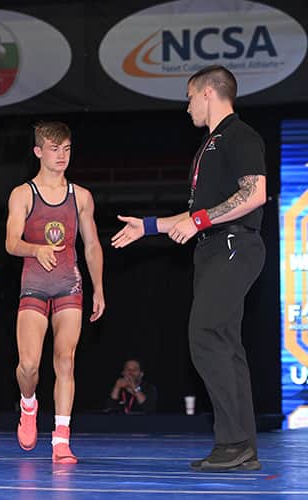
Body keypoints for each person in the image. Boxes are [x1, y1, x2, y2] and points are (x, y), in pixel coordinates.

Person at [111, 65, 266, 472]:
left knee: (206, 335)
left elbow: (255, 194)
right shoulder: (210, 144)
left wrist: (199, 221)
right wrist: (148, 227)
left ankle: (233, 442)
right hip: (215, 249)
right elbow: (199, 213)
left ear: (208, 93)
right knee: (225, 345)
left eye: (189, 97)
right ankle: (242, 447)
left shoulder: (239, 135)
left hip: (233, 245)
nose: (187, 107)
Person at [6, 121, 105, 464]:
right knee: (29, 366)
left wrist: (99, 288)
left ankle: (61, 440)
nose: (61, 156)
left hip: (69, 285)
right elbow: (11, 243)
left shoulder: (81, 197)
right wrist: (35, 250)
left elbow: (91, 245)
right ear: (38, 152)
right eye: (54, 149)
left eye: (66, 149)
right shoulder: (23, 194)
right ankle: (28, 404)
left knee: (65, 359)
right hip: (34, 286)